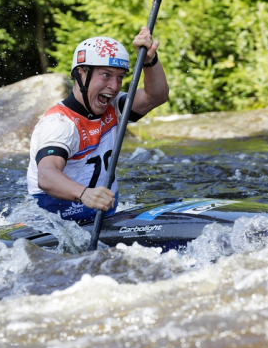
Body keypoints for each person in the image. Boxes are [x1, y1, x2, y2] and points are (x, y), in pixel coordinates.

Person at [27, 26, 169, 221]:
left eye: (120, 77)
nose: (114, 86)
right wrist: (84, 194)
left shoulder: (114, 107)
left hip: (103, 217)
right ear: (81, 74)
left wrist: (149, 61)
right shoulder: (59, 123)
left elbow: (157, 96)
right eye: (106, 75)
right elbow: (46, 175)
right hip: (57, 223)